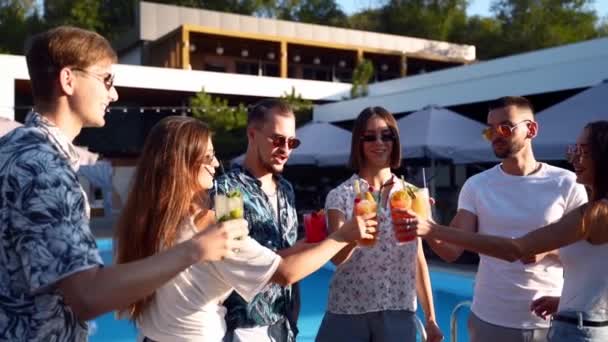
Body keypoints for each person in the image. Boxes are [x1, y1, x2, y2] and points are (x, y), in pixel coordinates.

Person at [0, 26, 248, 341]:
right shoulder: (44, 168)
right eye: (106, 80)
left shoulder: (13, 149)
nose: (113, 94)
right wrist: (196, 249)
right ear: (68, 79)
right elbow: (87, 295)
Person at [113, 116, 376, 342]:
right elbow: (285, 274)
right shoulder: (209, 225)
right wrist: (343, 236)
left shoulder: (140, 221)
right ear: (182, 164)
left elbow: (236, 263)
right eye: (208, 156)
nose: (216, 164)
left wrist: (295, 250)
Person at [405, 120, 608, 341]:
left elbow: (515, 248)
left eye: (584, 151)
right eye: (574, 149)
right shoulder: (477, 185)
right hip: (575, 321)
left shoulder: (595, 213)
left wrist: (431, 229)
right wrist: (567, 302)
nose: (575, 158)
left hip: (581, 331)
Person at [315, 106, 443, 342]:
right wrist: (353, 234)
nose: (379, 142)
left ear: (395, 141)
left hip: (398, 310)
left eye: (386, 135)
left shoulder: (412, 195)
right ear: (358, 143)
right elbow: (336, 258)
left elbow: (417, 259)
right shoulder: (340, 195)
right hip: (348, 310)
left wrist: (431, 318)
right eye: (370, 136)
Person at [214, 99, 306, 341]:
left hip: (284, 325)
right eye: (277, 140)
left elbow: (290, 251)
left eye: (291, 142)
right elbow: (232, 257)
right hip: (244, 328)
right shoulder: (227, 190)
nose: (285, 149)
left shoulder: (286, 189)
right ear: (252, 135)